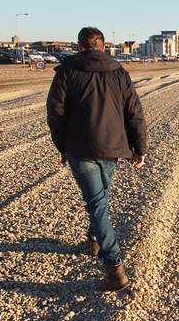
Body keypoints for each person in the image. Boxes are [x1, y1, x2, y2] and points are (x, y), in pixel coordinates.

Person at [46, 27, 147, 291]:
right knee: (98, 201)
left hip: (80, 147)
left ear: (79, 46)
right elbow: (134, 111)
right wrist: (139, 147)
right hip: (112, 147)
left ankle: (114, 268)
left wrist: (63, 146)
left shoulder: (67, 70)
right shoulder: (118, 71)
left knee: (97, 204)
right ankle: (94, 239)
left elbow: (55, 112)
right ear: (102, 48)